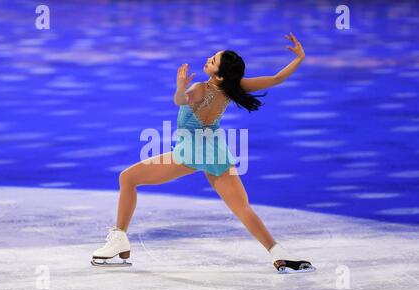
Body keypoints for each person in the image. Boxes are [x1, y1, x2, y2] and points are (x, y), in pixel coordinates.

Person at [92, 32, 315, 274]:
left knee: (128, 178)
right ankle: (277, 252)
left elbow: (180, 101)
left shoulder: (200, 88)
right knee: (242, 208)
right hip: (215, 150)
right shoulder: (232, 86)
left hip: (192, 150)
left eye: (213, 60)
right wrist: (299, 58)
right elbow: (275, 79)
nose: (209, 58)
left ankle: (119, 237)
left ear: (218, 74)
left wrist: (179, 88)